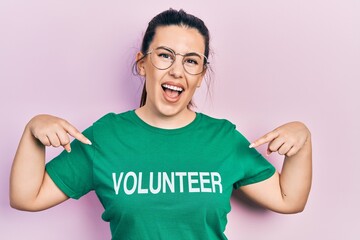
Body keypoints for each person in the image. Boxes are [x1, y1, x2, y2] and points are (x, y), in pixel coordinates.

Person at [10, 9, 312, 240]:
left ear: (201, 74)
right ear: (142, 64)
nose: (177, 71)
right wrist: (33, 131)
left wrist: (302, 139)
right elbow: (27, 196)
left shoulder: (223, 139)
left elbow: (289, 199)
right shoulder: (105, 137)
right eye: (165, 56)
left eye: (191, 61)